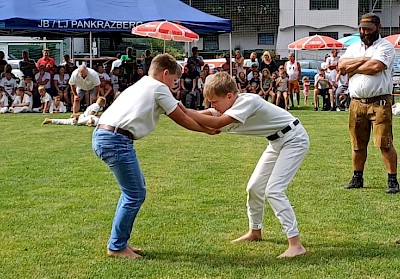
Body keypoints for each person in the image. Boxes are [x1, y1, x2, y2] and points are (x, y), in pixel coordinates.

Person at [91, 53, 218, 259]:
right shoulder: (159, 88)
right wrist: (207, 129)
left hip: (106, 136)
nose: (174, 85)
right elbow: (181, 117)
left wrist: (209, 117)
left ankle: (120, 242)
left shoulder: (142, 84)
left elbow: (183, 110)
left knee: (134, 191)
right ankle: (116, 246)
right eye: (174, 80)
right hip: (116, 140)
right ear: (165, 73)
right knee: (135, 194)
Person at [182, 71, 310, 258]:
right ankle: (255, 232)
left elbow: (216, 122)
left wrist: (183, 111)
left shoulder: (248, 102)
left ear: (229, 96)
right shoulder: (229, 104)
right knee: (254, 187)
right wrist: (177, 112)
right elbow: (209, 115)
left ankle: (295, 244)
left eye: (214, 101)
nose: (212, 105)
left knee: (273, 190)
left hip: (294, 139)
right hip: (276, 142)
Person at [338, 13, 399, 194]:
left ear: (378, 28)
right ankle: (357, 178)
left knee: (384, 142)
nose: (364, 32)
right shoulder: (355, 47)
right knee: (357, 143)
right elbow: (341, 67)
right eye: (362, 29)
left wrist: (353, 66)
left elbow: (376, 67)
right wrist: (364, 59)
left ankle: (393, 181)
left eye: (368, 29)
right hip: (356, 103)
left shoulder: (386, 46)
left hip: (379, 103)